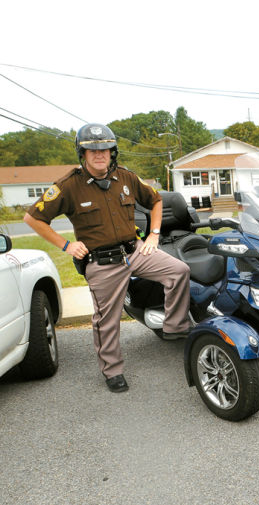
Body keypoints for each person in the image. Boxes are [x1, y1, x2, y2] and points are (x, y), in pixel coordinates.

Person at [24, 123, 191, 393]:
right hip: (103, 263)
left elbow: (156, 200)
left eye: (105, 149)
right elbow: (33, 218)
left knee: (179, 271)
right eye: (93, 150)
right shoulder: (68, 186)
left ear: (113, 152)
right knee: (106, 321)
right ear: (83, 153)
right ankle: (112, 371)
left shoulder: (126, 177)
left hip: (135, 251)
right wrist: (66, 245)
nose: (100, 154)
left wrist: (154, 235)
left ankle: (174, 326)